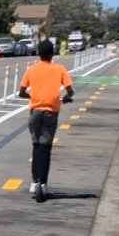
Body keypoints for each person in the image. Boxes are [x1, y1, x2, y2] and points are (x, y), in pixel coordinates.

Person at [18, 39, 74, 203]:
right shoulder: (59, 69)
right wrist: (66, 98)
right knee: (46, 147)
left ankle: (34, 181)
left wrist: (31, 97)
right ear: (52, 54)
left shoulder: (32, 69)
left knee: (36, 145)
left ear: (38, 53)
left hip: (35, 111)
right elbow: (70, 91)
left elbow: (21, 92)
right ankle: (43, 183)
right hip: (51, 112)